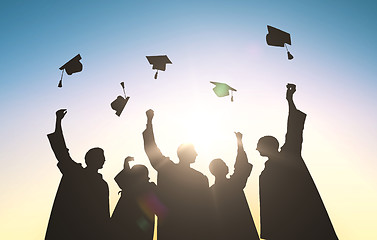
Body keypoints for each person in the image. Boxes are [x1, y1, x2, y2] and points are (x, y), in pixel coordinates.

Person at [257, 84, 338, 240]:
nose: (256, 149)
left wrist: (290, 100)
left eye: (259, 145)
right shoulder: (266, 172)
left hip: (301, 223)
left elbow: (293, 129)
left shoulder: (289, 155)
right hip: (280, 228)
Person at [142, 109, 212, 240]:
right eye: (194, 151)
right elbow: (151, 147)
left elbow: (206, 209)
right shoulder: (198, 177)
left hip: (179, 228)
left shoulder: (168, 169)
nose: (197, 154)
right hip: (178, 228)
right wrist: (149, 122)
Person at [45, 109, 110, 240]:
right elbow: (61, 151)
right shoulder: (76, 173)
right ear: (92, 159)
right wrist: (58, 122)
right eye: (101, 157)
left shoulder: (102, 184)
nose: (104, 159)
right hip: (71, 230)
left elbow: (104, 216)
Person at [209, 132, 260, 240]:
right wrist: (239, 143)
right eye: (224, 165)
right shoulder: (233, 185)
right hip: (241, 232)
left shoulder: (210, 192)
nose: (227, 166)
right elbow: (241, 166)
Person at [111, 157, 158, 240]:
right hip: (136, 229)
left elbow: (124, 180)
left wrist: (126, 167)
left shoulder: (133, 188)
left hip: (135, 229)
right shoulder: (148, 187)